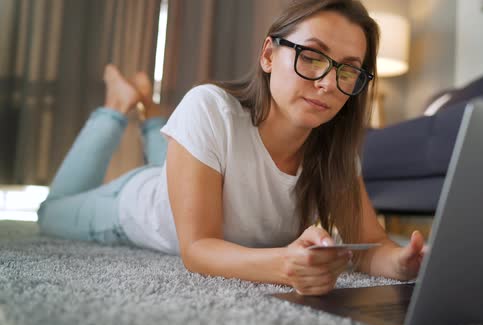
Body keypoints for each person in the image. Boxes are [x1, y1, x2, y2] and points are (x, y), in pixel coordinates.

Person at [39, 0, 426, 296]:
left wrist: (405, 261)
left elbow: (372, 244)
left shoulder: (336, 151)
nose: (327, 83)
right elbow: (198, 250)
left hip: (199, 170)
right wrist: (285, 265)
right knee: (50, 213)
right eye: (312, 56)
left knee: (191, 161)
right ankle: (115, 106)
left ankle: (155, 116)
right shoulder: (209, 107)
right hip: (138, 206)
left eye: (347, 70)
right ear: (269, 55)